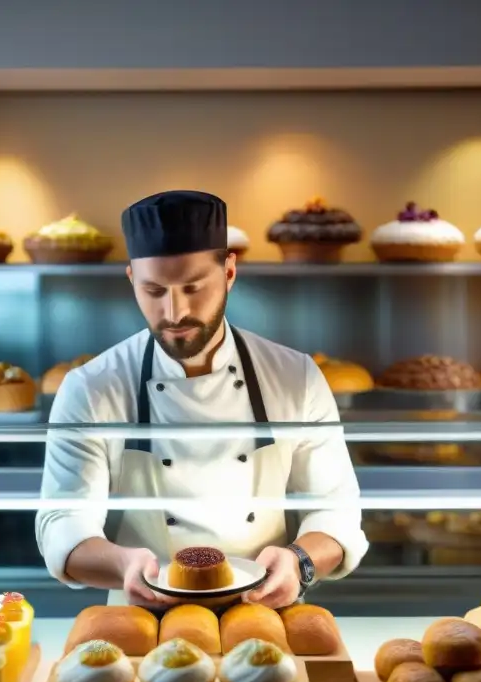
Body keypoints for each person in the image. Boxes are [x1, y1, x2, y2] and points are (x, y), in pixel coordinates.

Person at [36, 190, 367, 610]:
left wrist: (300, 561)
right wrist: (122, 565)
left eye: (193, 287)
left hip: (262, 611)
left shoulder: (295, 377)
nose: (174, 312)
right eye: (153, 290)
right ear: (131, 280)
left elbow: (336, 511)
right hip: (142, 615)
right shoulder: (91, 387)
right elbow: (61, 525)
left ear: (229, 271)